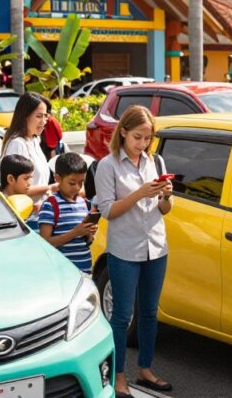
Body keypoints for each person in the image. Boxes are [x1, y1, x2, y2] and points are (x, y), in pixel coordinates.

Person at [93, 105, 174, 398]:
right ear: (123, 132)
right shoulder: (108, 165)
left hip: (156, 246)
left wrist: (165, 197)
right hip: (124, 249)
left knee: (150, 313)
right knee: (122, 316)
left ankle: (146, 369)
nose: (143, 144)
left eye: (148, 138)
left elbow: (164, 209)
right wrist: (140, 192)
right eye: (138, 137)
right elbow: (108, 211)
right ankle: (118, 376)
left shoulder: (155, 162)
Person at [37, 152, 98, 273]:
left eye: (81, 182)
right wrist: (76, 232)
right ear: (58, 178)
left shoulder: (84, 203)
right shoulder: (51, 205)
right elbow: (45, 243)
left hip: (84, 269)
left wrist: (89, 233)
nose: (77, 187)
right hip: (61, 272)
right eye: (72, 183)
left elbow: (88, 242)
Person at [0, 92, 57, 202]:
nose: (43, 121)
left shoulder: (34, 140)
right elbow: (16, 189)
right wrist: (53, 187)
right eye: (38, 116)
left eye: (45, 116)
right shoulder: (17, 144)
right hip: (25, 214)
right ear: (25, 116)